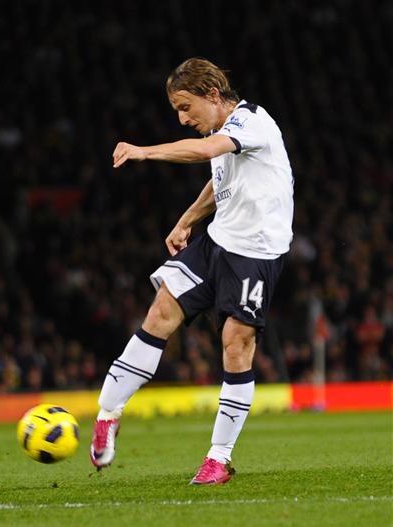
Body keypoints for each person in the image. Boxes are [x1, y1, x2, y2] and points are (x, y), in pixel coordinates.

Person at [89, 58, 293, 485]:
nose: (183, 119)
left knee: (235, 344)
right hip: (217, 243)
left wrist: (144, 151)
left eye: (185, 107)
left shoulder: (252, 122)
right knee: (159, 313)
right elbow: (221, 181)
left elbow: (205, 153)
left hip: (256, 252)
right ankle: (108, 415)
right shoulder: (225, 136)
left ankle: (218, 458)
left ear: (213, 95)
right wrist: (187, 219)